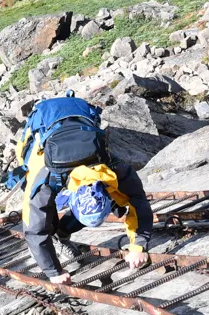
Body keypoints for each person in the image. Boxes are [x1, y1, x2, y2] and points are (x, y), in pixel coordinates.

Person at [15, 93, 153, 285]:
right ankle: (55, 237)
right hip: (40, 135)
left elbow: (138, 201)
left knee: (119, 202)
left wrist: (138, 247)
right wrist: (53, 271)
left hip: (79, 122)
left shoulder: (114, 169)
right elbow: (34, 229)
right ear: (70, 197)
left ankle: (62, 233)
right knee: (42, 214)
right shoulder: (45, 180)